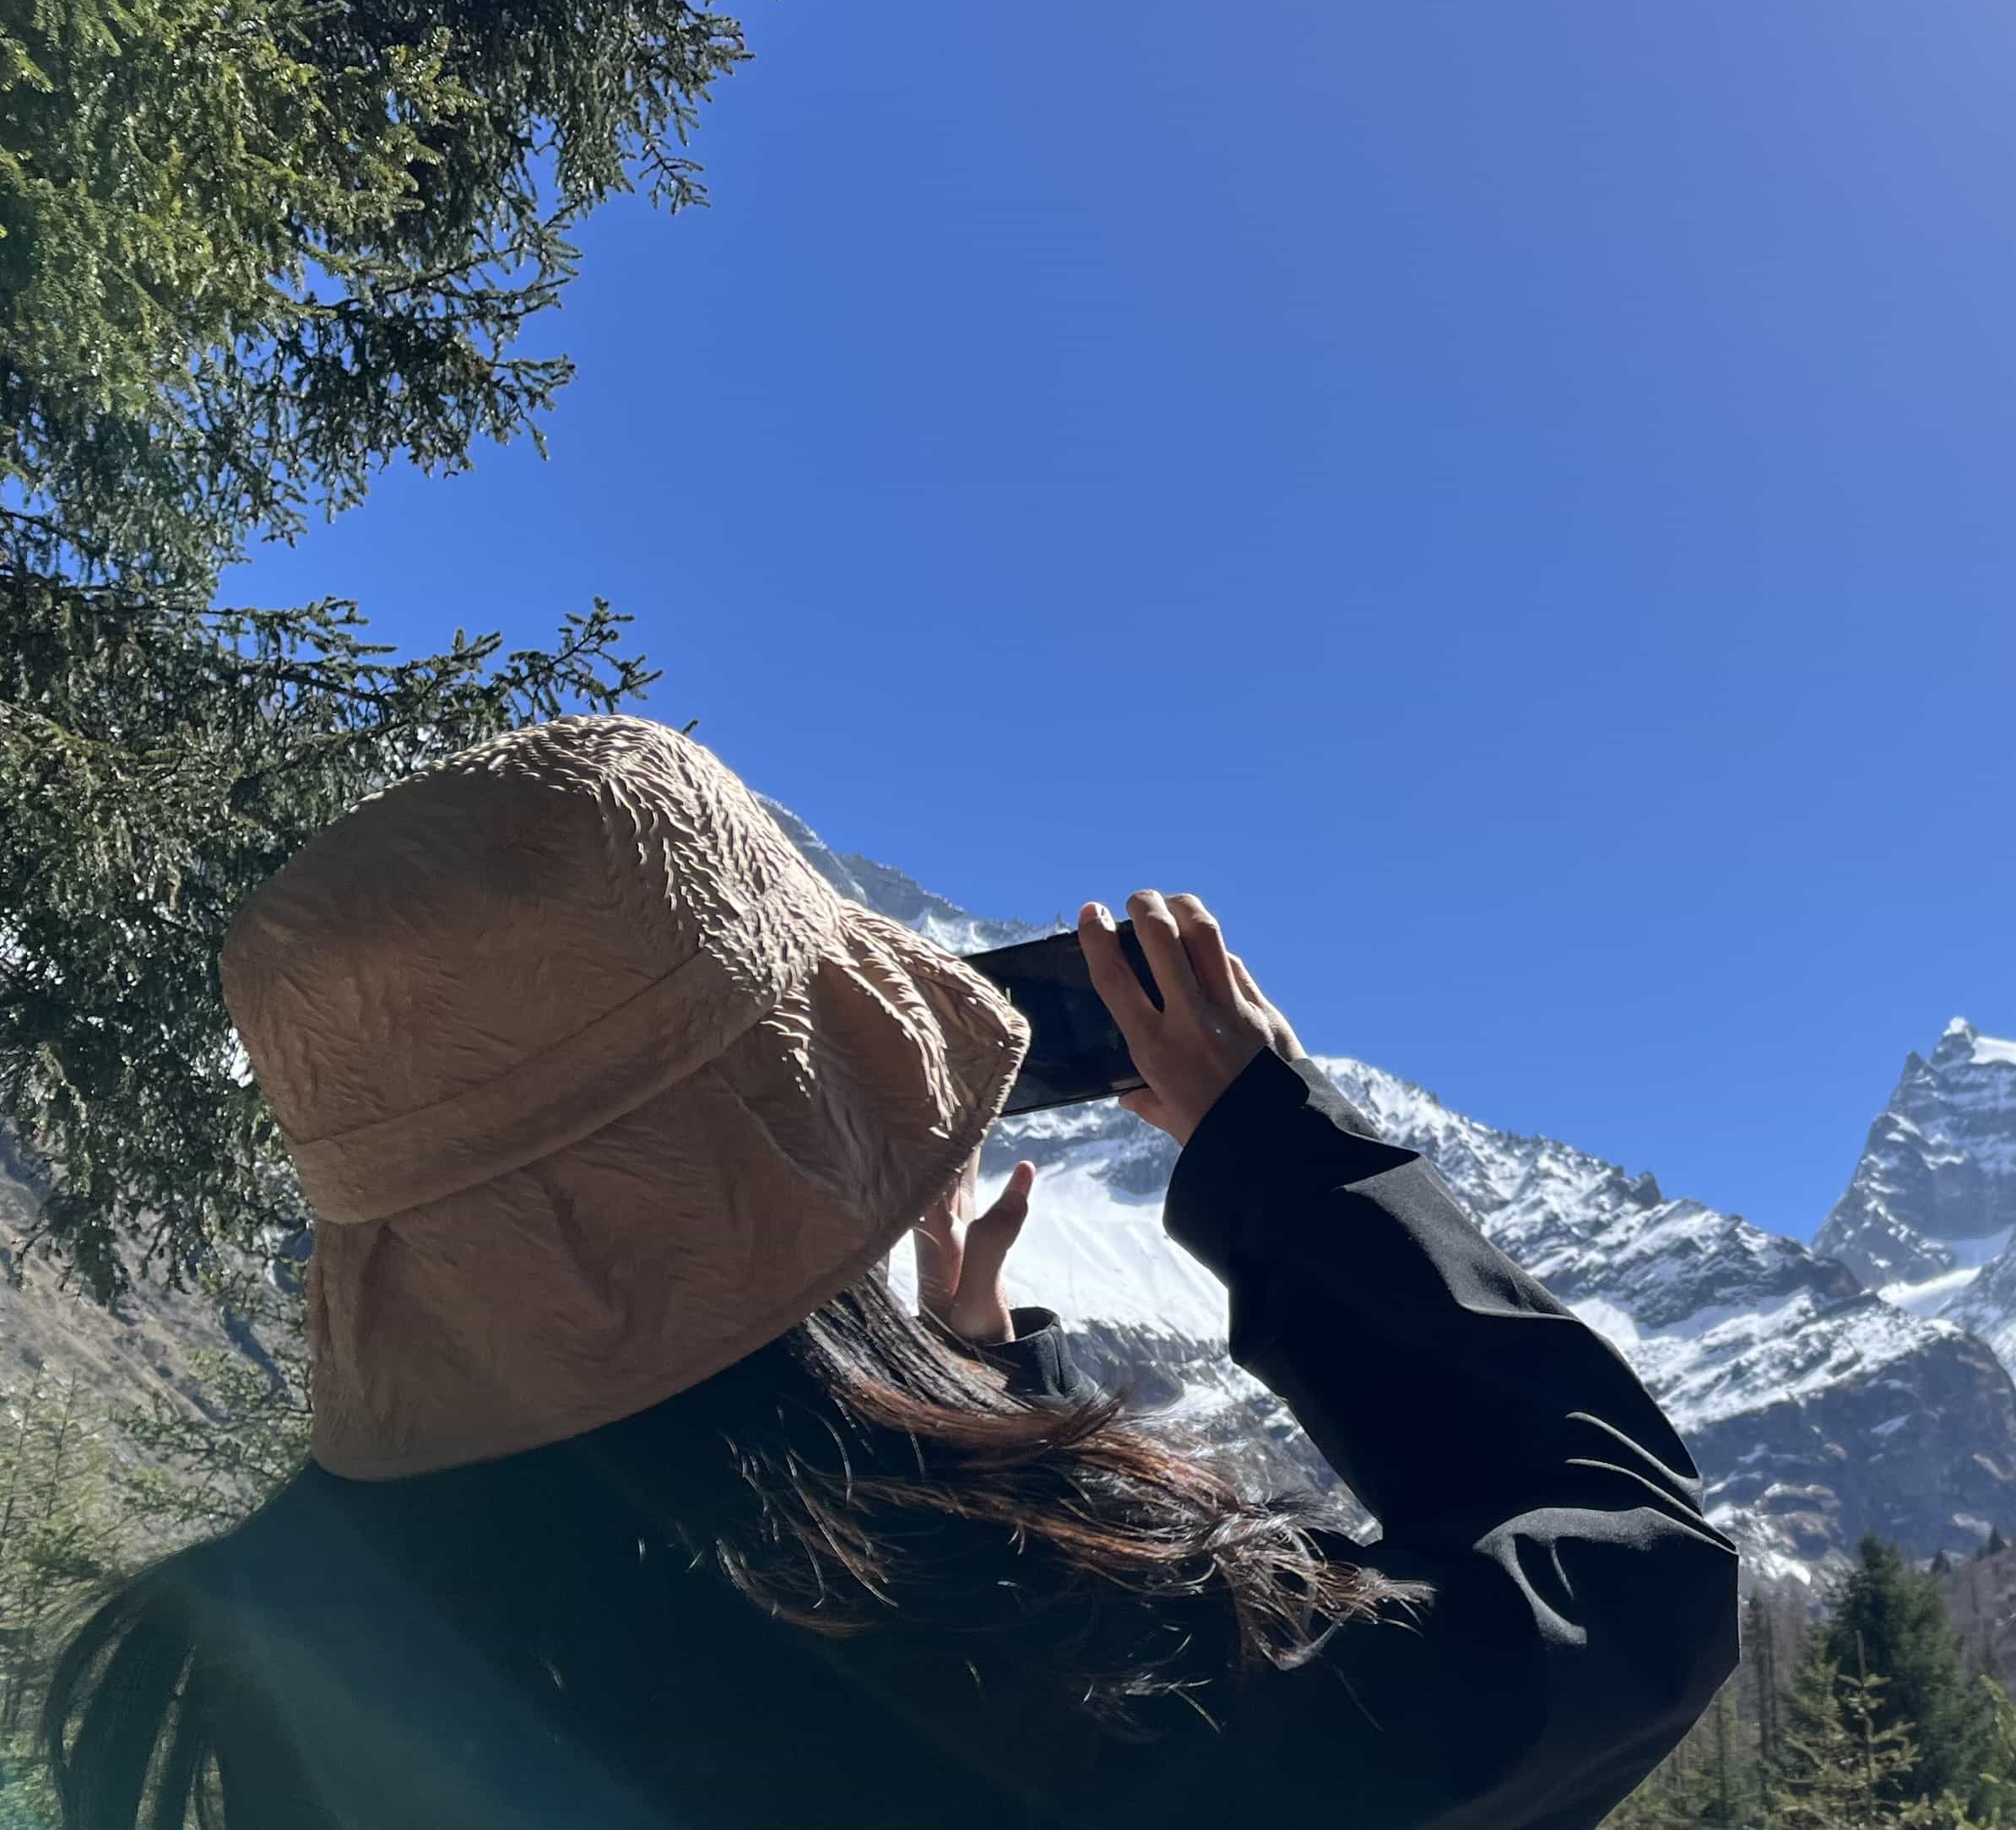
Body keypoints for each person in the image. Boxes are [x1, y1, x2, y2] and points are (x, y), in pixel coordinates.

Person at [39, 716, 1738, 1828]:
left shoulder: (255, 1694)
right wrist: (1288, 1167)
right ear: (811, 1142)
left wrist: (971, 1388)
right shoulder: (1075, 1667)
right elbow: (1639, 1587)